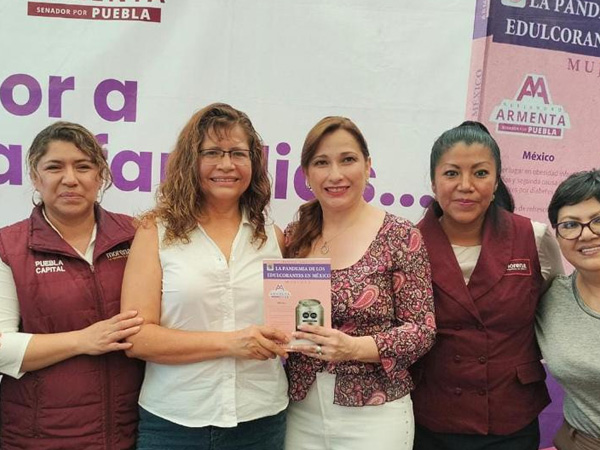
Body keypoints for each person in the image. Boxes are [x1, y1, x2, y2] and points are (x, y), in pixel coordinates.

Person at [120, 103, 289, 450]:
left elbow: (290, 325)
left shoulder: (273, 238)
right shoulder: (155, 232)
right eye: (211, 152)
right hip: (174, 424)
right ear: (189, 161)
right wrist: (231, 343)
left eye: (238, 153)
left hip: (261, 420)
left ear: (253, 163)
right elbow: (136, 338)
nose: (226, 165)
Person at [283, 116, 436, 450]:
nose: (335, 174)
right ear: (306, 174)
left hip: (375, 414)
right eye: (321, 162)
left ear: (367, 166)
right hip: (300, 409)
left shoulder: (400, 235)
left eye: (347, 159)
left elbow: (422, 331)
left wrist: (353, 348)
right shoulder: (296, 236)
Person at [412, 121, 564, 450]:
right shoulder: (408, 244)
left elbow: (555, 311)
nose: (465, 185)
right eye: (451, 173)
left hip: (511, 418)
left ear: (496, 183)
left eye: (480, 173)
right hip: (431, 417)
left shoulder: (533, 237)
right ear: (434, 182)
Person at [0, 121, 144, 449]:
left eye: (83, 166)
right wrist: (82, 340)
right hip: (40, 436)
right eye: (54, 167)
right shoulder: (8, 246)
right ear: (35, 177)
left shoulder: (136, 235)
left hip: (129, 431)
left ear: (100, 176)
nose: (70, 179)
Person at [535, 169, 600, 450]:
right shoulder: (550, 299)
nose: (586, 234)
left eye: (598, 220)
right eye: (570, 225)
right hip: (579, 441)